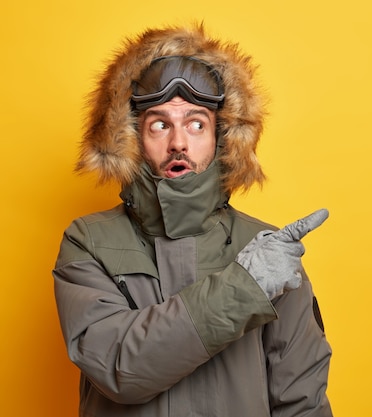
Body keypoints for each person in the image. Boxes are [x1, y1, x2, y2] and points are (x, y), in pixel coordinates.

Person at [53, 23, 333, 417]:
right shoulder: (88, 241)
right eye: (160, 124)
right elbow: (119, 367)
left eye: (196, 123)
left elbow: (302, 402)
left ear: (222, 136)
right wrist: (243, 288)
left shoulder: (269, 250)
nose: (178, 142)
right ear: (131, 138)